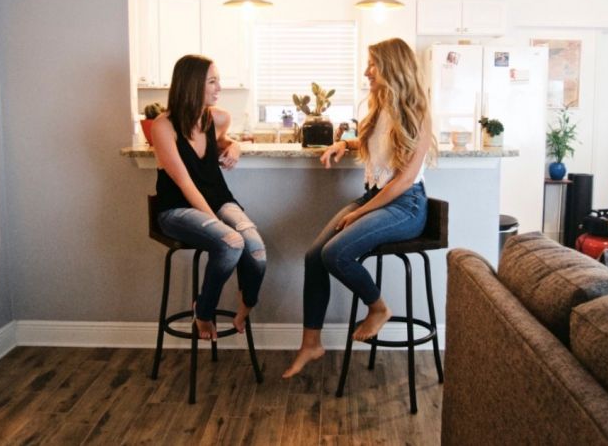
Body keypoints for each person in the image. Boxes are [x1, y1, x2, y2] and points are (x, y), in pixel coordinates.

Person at [283, 38, 437, 378]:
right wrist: (343, 143)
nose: (367, 71)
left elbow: (402, 182)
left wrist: (359, 213)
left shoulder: (419, 113)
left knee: (335, 254)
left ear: (392, 67)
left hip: (406, 207)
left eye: (373, 64)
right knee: (314, 256)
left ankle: (379, 308)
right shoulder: (381, 106)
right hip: (375, 198)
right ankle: (311, 344)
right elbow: (375, 145)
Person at [151, 54, 266, 340]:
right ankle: (203, 313)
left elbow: (220, 141)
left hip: (220, 199)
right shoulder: (162, 127)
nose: (219, 88)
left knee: (257, 251)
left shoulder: (218, 117)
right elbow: (185, 183)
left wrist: (234, 144)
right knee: (230, 243)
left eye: (218, 80)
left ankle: (246, 305)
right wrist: (216, 222)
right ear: (191, 85)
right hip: (176, 209)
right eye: (212, 81)